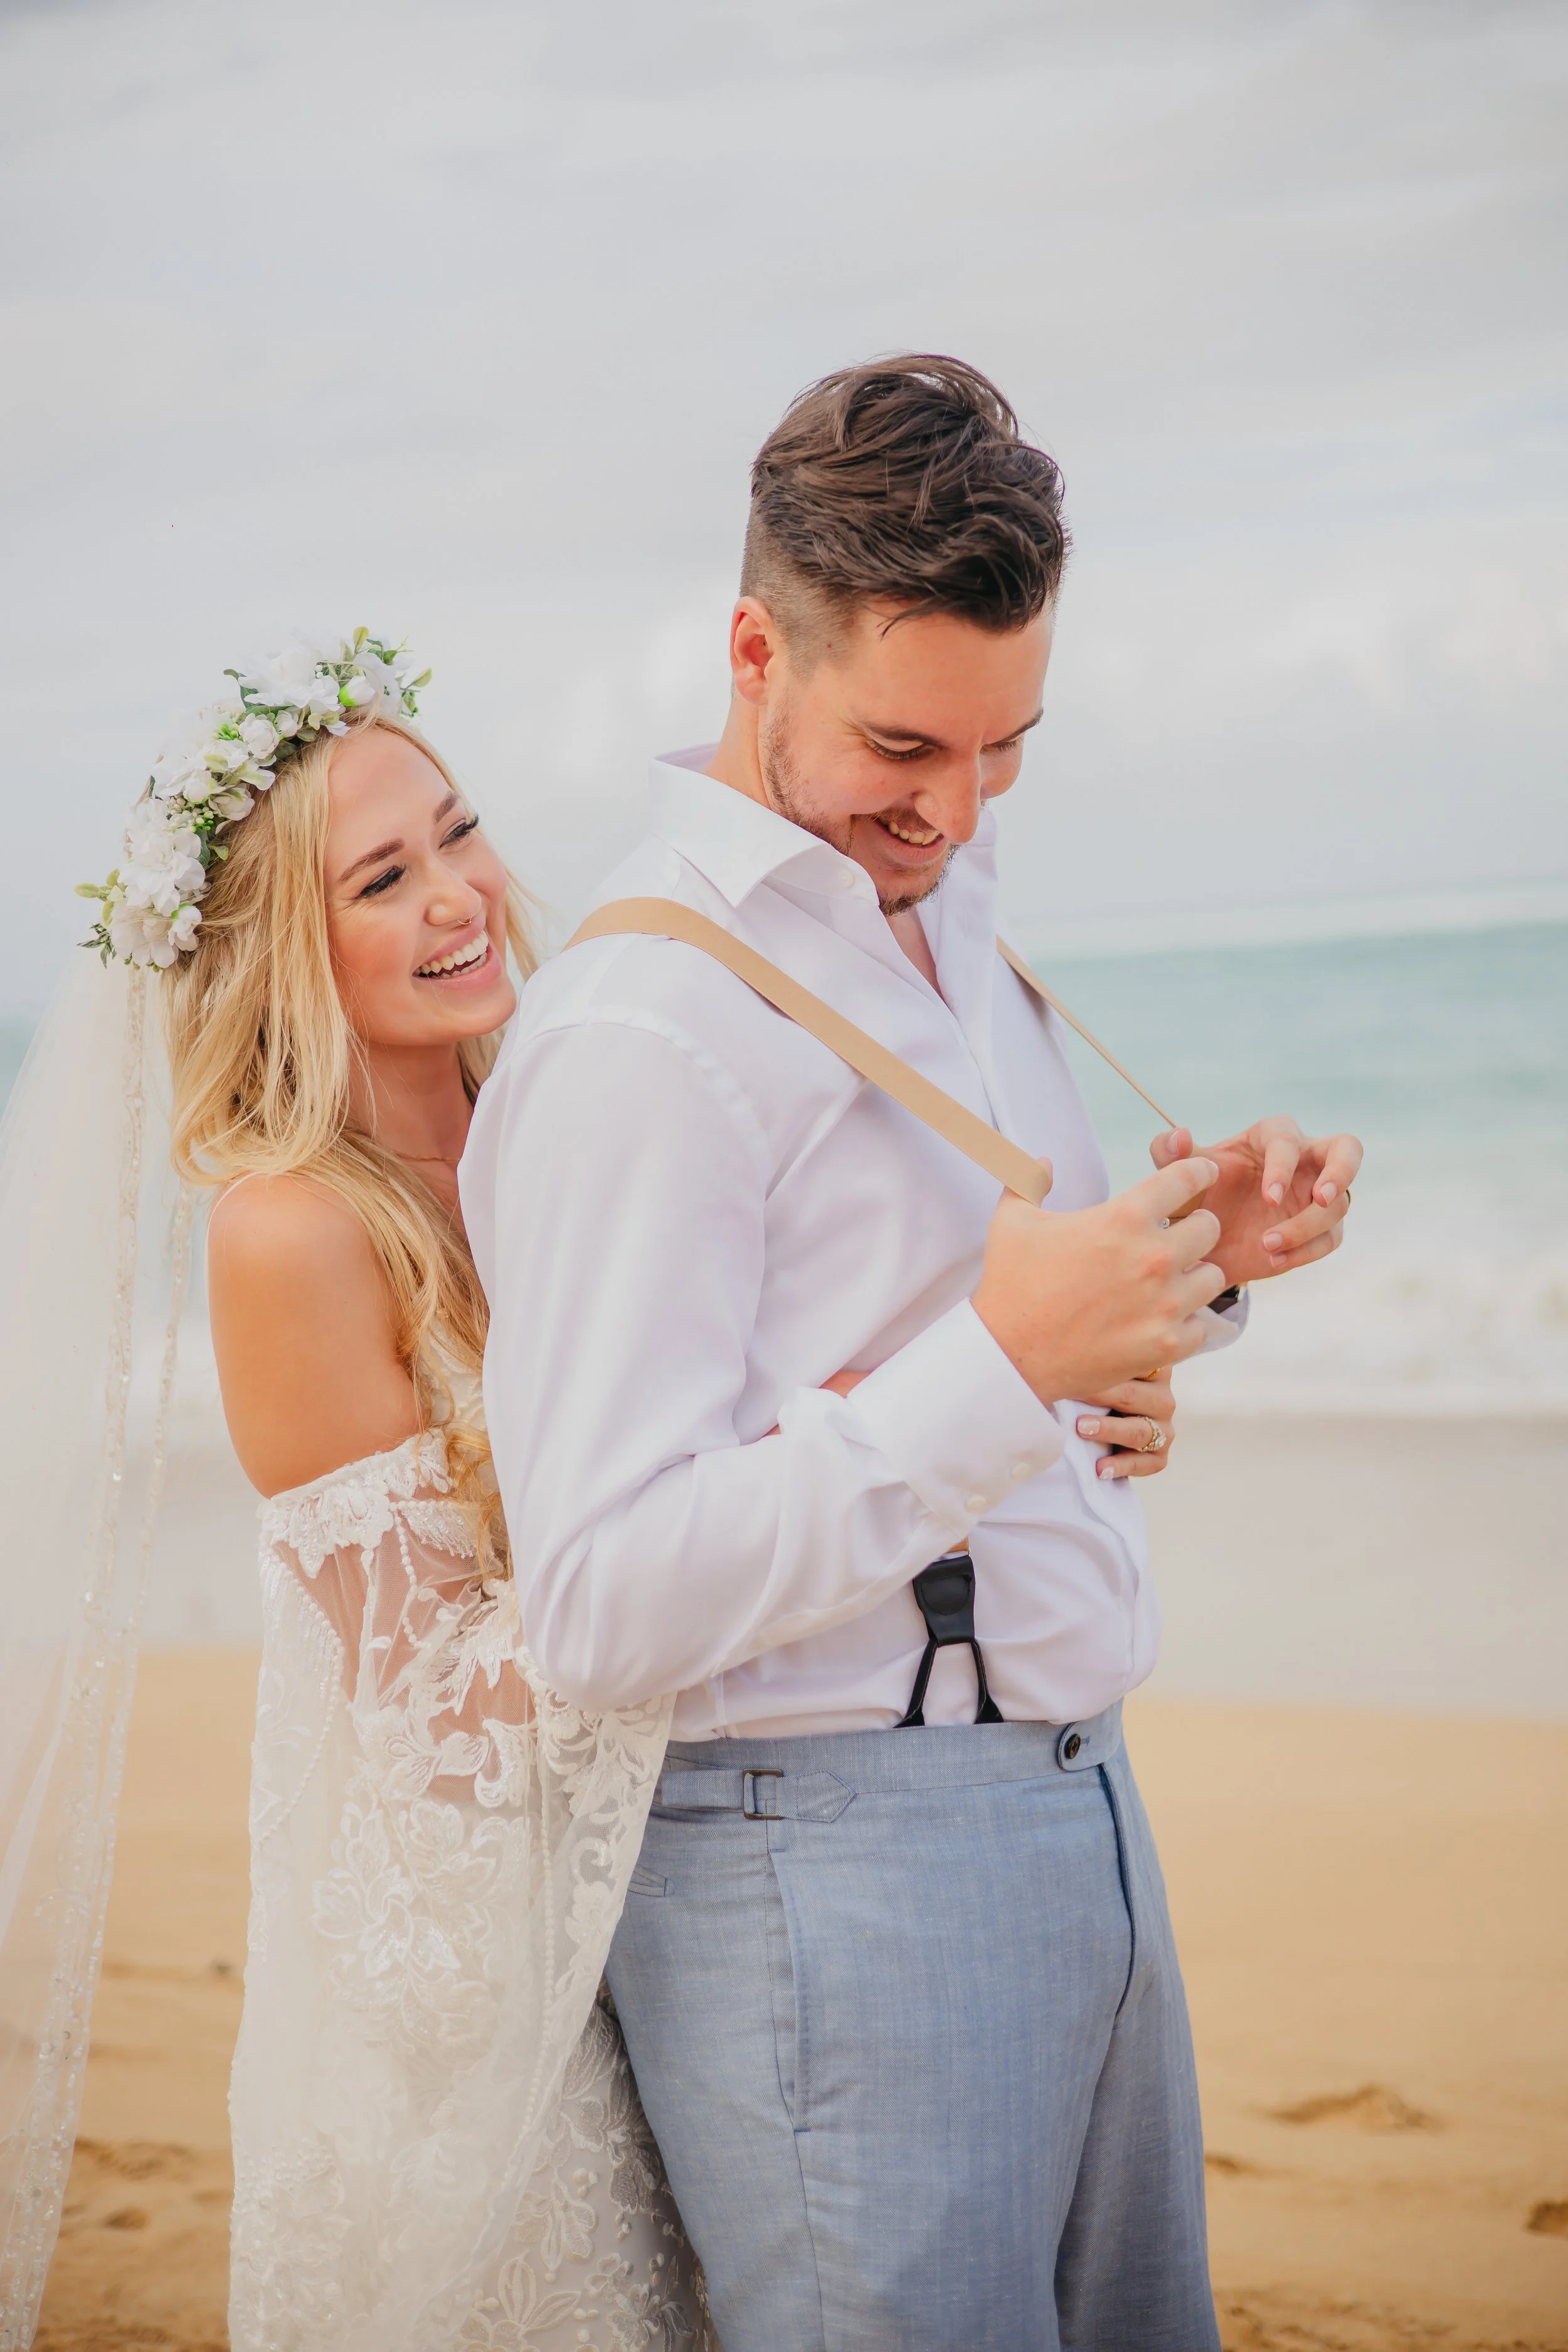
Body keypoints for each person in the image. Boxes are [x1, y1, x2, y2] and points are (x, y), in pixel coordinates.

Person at [460, 358, 1364, 2351]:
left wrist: (1192, 1260)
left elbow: (967, 1331)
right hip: (827, 1865)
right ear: (752, 651)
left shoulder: (945, 910)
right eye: (902, 745)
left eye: (1003, 748)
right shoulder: (636, 1034)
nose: (949, 812)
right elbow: (595, 1602)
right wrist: (1001, 1360)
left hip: (1076, 1801)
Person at [66, 635, 717, 2351]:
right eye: (380, 877)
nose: (457, 894)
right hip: (469, 1970)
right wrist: (708, 1545)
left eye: (458, 829)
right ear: (284, 948)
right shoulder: (289, 1229)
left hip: (670, 1874)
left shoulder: (551, 1117)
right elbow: (428, 1710)